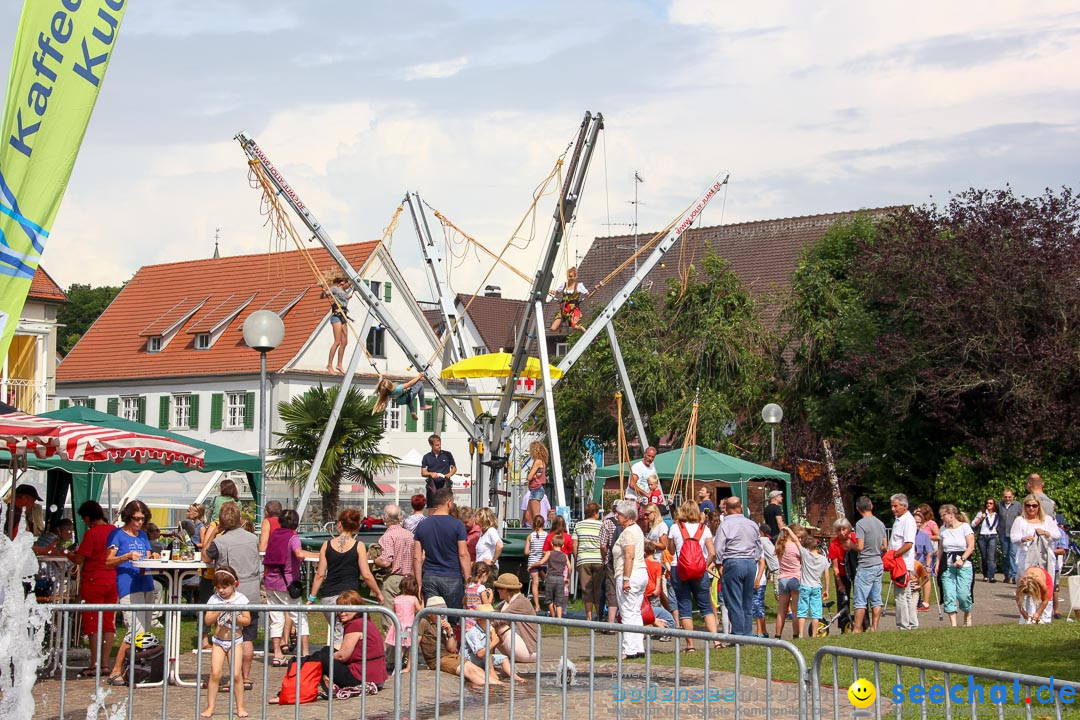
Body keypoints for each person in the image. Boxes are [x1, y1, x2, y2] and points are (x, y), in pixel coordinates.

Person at [204, 501, 261, 690]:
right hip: (252, 591)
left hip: (230, 594)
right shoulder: (253, 538)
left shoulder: (220, 542)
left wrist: (212, 532)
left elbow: (205, 556)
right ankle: (245, 676)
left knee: (228, 636)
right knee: (248, 637)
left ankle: (232, 676)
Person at [309, 509, 384, 641]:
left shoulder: (326, 545)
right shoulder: (358, 546)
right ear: (356, 527)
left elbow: (319, 575)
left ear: (339, 524)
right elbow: (366, 574)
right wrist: (378, 592)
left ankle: (338, 657)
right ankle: (338, 659)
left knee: (338, 631)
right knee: (343, 634)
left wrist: (312, 597)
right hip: (349, 597)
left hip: (328, 596)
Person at [105, 500, 157, 685]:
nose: (140, 522)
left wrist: (154, 556)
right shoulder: (117, 534)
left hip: (146, 583)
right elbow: (108, 561)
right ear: (129, 517)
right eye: (136, 518)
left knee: (144, 631)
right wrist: (126, 556)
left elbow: (148, 555)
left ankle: (135, 669)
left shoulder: (143, 535)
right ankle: (116, 670)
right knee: (133, 631)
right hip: (128, 585)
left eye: (143, 519)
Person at [307, 590, 387, 698]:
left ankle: (302, 689)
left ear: (357, 609)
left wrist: (327, 657)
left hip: (362, 678)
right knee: (326, 650)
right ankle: (321, 683)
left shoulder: (355, 625)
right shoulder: (365, 622)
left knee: (320, 656)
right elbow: (342, 648)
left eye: (347, 608)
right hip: (376, 677)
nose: (342, 612)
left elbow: (342, 656)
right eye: (340, 608)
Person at [69, 501, 117, 678]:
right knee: (108, 622)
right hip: (112, 579)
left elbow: (79, 559)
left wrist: (68, 554)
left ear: (88, 518)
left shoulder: (92, 533)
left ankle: (95, 663)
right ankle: (105, 663)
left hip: (94, 579)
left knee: (92, 622)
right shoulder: (114, 530)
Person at [263, 509, 316, 666]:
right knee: (300, 618)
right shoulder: (293, 538)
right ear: (296, 523)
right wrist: (319, 555)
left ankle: (277, 654)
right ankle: (305, 653)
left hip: (270, 582)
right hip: (286, 583)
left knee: (276, 618)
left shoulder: (275, 536)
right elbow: (298, 554)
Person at [667, 500, 718, 652]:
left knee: (684, 606)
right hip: (699, 571)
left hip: (679, 569)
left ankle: (690, 645)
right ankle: (716, 641)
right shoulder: (704, 528)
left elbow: (669, 551)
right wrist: (704, 564)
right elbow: (712, 553)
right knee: (706, 606)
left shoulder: (676, 528)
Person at [201, 567, 251, 718]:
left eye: (225, 587)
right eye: (218, 587)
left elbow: (247, 620)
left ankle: (240, 707)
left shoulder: (241, 599)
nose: (221, 591)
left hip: (235, 641)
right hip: (218, 642)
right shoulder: (214, 599)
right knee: (215, 673)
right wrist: (219, 610)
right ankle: (210, 707)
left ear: (234, 584)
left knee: (236, 675)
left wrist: (234, 617)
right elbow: (208, 620)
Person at [413, 488, 470, 611]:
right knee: (454, 618)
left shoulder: (422, 525)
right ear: (449, 502)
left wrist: (419, 583)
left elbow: (417, 557)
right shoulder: (457, 525)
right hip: (452, 577)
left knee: (434, 619)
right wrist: (468, 580)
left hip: (430, 576)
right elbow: (463, 554)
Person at [714, 497, 762, 637]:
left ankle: (738, 634)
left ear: (727, 509)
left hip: (733, 561)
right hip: (750, 562)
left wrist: (719, 564)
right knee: (747, 600)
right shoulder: (752, 524)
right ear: (741, 506)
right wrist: (755, 559)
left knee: (734, 601)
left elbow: (719, 548)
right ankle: (747, 633)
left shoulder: (725, 525)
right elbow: (758, 546)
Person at [1010, 495, 1060, 623]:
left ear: (1039, 506)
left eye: (1034, 506)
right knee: (1027, 586)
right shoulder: (1020, 520)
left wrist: (1046, 533)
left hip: (1044, 556)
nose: (1031, 508)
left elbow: (1056, 535)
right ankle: (1027, 617)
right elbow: (1013, 537)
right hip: (1026, 556)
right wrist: (1023, 538)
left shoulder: (1047, 519)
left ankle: (1045, 617)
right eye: (1028, 505)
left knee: (1046, 586)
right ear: (1024, 506)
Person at [417, 596, 491, 685]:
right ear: (429, 613)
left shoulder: (443, 624)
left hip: (450, 656)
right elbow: (414, 645)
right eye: (440, 610)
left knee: (477, 669)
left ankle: (499, 687)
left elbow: (452, 649)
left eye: (444, 610)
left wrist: (449, 632)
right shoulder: (424, 622)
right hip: (437, 660)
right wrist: (409, 667)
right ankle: (489, 692)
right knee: (469, 671)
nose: (443, 613)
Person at [780, 526, 829, 638]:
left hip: (805, 586)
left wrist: (788, 530)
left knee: (802, 612)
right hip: (817, 587)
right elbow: (827, 574)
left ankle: (801, 634)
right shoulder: (823, 559)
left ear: (806, 547)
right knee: (816, 613)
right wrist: (826, 589)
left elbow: (796, 541)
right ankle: (814, 634)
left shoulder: (806, 555)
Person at [463, 604, 525, 684]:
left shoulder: (488, 630)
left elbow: (489, 653)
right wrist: (493, 642)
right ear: (479, 620)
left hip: (484, 658)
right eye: (489, 620)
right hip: (471, 660)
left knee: (504, 658)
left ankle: (516, 677)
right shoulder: (473, 633)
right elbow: (480, 654)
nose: (492, 622)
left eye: (493, 619)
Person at [852, 496, 887, 633]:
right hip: (878, 563)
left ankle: (857, 628)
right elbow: (885, 546)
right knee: (876, 598)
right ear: (871, 506)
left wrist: (850, 545)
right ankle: (874, 627)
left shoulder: (861, 524)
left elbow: (860, 546)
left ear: (858, 509)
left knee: (860, 598)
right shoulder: (880, 523)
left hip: (866, 564)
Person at [373, 504, 415, 615]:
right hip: (409, 579)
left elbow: (386, 562)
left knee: (390, 617)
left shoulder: (387, 537)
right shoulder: (410, 535)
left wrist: (375, 559)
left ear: (384, 518)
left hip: (393, 580)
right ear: (401, 517)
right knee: (406, 616)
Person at [491, 573, 539, 662]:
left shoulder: (521, 601)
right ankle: (487, 658)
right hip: (518, 647)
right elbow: (493, 613)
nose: (497, 591)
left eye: (499, 588)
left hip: (528, 651)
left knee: (499, 627)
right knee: (490, 627)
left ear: (505, 589)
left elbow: (499, 619)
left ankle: (486, 658)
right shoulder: (507, 602)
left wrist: (483, 624)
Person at [889, 493, 919, 630]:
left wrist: (893, 555)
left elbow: (908, 543)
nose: (893, 509)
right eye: (892, 506)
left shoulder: (908, 520)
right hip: (899, 562)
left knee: (900, 595)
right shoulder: (899, 519)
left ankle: (903, 625)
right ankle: (911, 623)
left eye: (896, 506)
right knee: (906, 595)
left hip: (902, 563)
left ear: (904, 506)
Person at [384, 575, 422, 673]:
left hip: (398, 626)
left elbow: (394, 610)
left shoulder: (397, 598)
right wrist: (423, 602)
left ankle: (397, 667)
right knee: (411, 648)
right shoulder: (413, 599)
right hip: (410, 626)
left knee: (401, 649)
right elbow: (420, 610)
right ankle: (408, 667)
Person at [573, 502, 604, 622]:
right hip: (598, 559)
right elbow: (603, 544)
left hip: (583, 559)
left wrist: (577, 560)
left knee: (587, 589)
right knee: (598, 589)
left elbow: (575, 545)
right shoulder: (601, 525)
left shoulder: (579, 525)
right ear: (595, 513)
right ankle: (599, 616)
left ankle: (589, 616)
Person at [774, 521, 804, 639]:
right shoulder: (795, 547)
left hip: (783, 579)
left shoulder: (780, 545)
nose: (800, 539)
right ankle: (796, 634)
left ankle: (777, 635)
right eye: (799, 537)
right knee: (796, 609)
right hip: (795, 578)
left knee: (782, 610)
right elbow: (803, 559)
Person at [530, 533, 569, 618]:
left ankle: (553, 616)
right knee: (559, 601)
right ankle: (559, 618)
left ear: (551, 544)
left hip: (550, 577)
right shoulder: (565, 555)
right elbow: (570, 567)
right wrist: (568, 577)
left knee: (549, 599)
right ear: (562, 545)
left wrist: (532, 565)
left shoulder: (549, 553)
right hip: (560, 578)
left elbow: (541, 562)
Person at [322, 275, 352, 374]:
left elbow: (345, 299)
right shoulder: (335, 289)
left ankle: (339, 364)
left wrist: (349, 297)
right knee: (337, 341)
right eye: (348, 284)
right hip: (336, 315)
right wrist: (324, 292)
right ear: (343, 282)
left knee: (345, 342)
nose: (349, 286)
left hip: (344, 316)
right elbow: (323, 296)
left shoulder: (346, 293)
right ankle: (329, 364)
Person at [420, 434, 456, 509]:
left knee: (447, 506)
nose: (439, 446)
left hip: (445, 485)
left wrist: (449, 474)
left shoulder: (447, 454)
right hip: (432, 486)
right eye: (437, 445)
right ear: (431, 445)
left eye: (440, 444)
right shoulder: (426, 457)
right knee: (432, 507)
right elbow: (423, 472)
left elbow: (454, 468)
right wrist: (431, 474)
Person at [828, 518, 855, 621]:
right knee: (842, 599)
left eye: (844, 529)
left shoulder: (855, 538)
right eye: (839, 530)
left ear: (848, 529)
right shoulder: (834, 544)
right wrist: (840, 584)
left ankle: (863, 623)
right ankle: (843, 624)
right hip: (842, 573)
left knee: (860, 598)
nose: (842, 532)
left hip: (855, 571)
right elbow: (835, 567)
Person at [549, 266, 589, 332]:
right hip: (564, 309)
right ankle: (561, 326)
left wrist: (596, 289)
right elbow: (556, 292)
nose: (569, 278)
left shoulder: (579, 286)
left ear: (575, 277)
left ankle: (582, 328)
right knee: (553, 328)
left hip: (573, 309)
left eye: (571, 276)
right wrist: (547, 290)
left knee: (575, 326)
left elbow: (588, 295)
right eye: (568, 276)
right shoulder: (564, 285)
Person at [756, 523, 779, 638]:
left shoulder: (762, 540)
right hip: (773, 568)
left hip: (775, 569)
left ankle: (788, 612)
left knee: (778, 593)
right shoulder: (767, 540)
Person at [972, 497, 1000, 582]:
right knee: (984, 556)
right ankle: (985, 575)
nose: (989, 505)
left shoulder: (997, 514)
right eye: (987, 503)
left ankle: (991, 576)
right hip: (983, 536)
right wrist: (981, 518)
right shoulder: (981, 513)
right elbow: (973, 524)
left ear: (994, 505)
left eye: (991, 503)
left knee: (991, 557)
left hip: (993, 536)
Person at [526, 515, 548, 612]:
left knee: (535, 583)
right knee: (546, 580)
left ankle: (537, 605)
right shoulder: (546, 535)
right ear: (543, 524)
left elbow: (526, 552)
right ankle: (549, 600)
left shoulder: (530, 536)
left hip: (533, 561)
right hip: (543, 562)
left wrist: (532, 550)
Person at [999, 489, 1022, 584]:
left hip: (1014, 533)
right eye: (1005, 497)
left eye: (1009, 497)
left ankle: (1013, 575)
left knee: (1013, 553)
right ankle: (1006, 575)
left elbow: (1022, 516)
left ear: (1012, 496)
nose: (1007, 498)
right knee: (1005, 555)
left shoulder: (1017, 505)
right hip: (1003, 533)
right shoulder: (999, 505)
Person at [913, 512, 934, 611]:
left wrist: (928, 565)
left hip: (920, 564)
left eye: (919, 523)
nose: (918, 525)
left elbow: (929, 552)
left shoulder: (924, 535)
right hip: (908, 564)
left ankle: (925, 603)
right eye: (916, 522)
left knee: (926, 573)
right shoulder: (905, 534)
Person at [524, 442, 548, 528]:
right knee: (529, 515)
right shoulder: (542, 461)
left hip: (536, 489)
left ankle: (539, 531)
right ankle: (534, 530)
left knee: (535, 515)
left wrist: (532, 475)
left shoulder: (537, 461)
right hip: (535, 490)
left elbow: (529, 477)